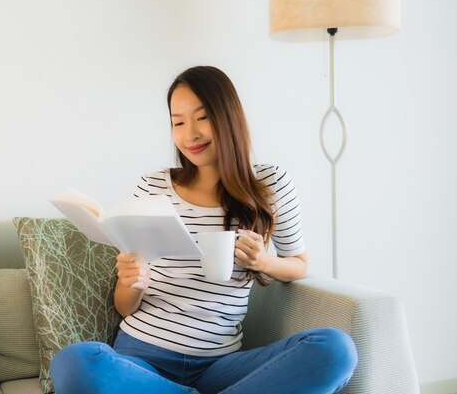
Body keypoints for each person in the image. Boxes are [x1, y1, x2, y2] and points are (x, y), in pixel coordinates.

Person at [50, 66, 358, 394]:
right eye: (178, 122)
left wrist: (262, 262)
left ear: (228, 118)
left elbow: (298, 264)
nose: (190, 134)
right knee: (75, 361)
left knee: (334, 349)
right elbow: (126, 307)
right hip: (143, 359)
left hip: (220, 367)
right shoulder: (153, 186)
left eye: (202, 118)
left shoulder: (270, 183)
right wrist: (131, 282)